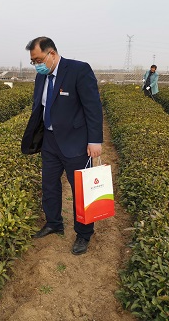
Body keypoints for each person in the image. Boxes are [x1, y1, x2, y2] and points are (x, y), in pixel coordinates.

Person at [21, 36, 103, 255]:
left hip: (76, 142)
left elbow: (93, 106)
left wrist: (94, 141)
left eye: (38, 59)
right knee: (49, 184)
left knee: (81, 191)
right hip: (50, 141)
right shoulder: (42, 77)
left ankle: (84, 234)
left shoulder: (78, 70)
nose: (36, 64)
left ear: (52, 54)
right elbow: (39, 108)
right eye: (33, 61)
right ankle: (53, 222)